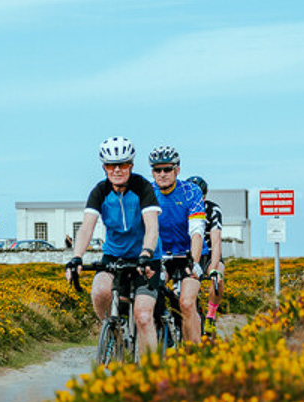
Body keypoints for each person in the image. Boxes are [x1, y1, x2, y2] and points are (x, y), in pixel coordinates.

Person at [65, 137, 161, 359]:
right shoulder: (100, 191)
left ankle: (152, 374)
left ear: (131, 166)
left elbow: (152, 226)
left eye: (123, 164)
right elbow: (87, 227)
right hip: (114, 255)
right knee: (99, 292)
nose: (117, 169)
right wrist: (77, 257)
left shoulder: (143, 187)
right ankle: (113, 334)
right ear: (104, 167)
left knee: (143, 316)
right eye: (111, 165)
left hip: (145, 257)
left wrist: (146, 253)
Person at [147, 146, 206, 345]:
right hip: (162, 255)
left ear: (177, 170)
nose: (162, 174)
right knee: (151, 295)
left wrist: (195, 262)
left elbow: (196, 231)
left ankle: (194, 355)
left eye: (167, 169)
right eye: (157, 170)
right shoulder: (147, 193)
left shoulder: (191, 192)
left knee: (187, 303)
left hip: (190, 253)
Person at [186, 174, 224, 332]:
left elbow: (216, 240)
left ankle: (210, 315)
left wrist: (214, 267)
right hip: (188, 253)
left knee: (218, 278)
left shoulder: (213, 209)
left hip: (209, 254)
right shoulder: (182, 208)